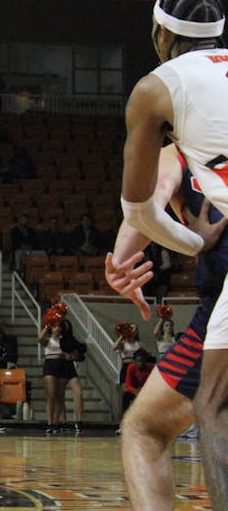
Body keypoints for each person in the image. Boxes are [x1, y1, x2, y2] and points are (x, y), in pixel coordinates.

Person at [106, 140, 228, 510]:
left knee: (145, 429)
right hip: (214, 318)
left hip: (220, 311)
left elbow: (149, 204)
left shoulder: (182, 149)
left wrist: (121, 263)